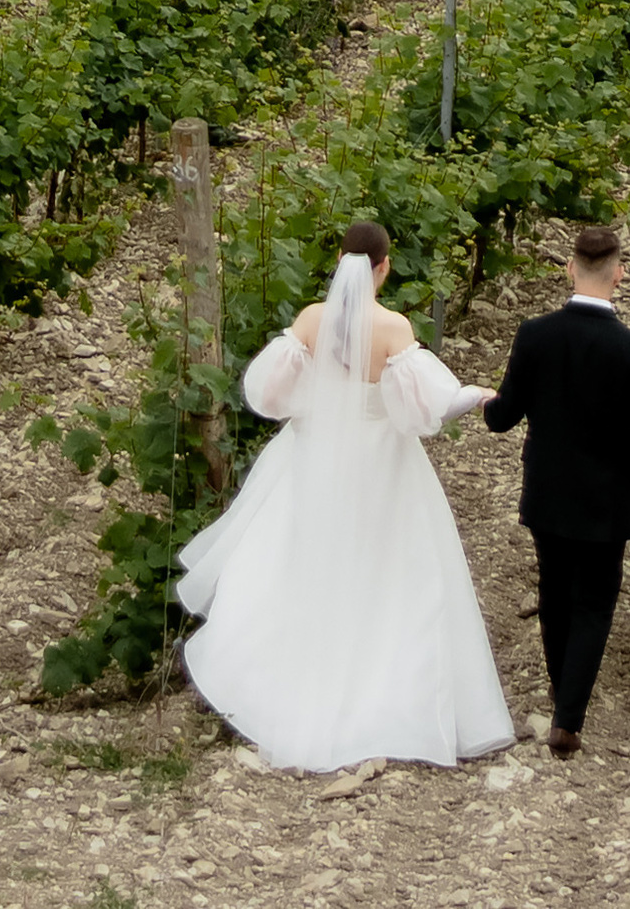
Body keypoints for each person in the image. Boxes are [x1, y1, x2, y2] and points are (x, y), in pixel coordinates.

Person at [175, 221, 515, 772]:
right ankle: (385, 704)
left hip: (311, 458)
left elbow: (268, 394)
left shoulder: (312, 320)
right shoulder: (393, 328)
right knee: (391, 577)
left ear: (339, 261)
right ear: (384, 267)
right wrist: (474, 394)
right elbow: (428, 407)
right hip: (383, 466)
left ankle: (282, 691)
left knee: (296, 565)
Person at [480, 220, 630, 758]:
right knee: (595, 601)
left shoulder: (534, 335)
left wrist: (484, 404)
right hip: (607, 498)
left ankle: (560, 689)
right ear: (619, 274)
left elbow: (504, 416)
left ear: (569, 268)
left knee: (554, 593)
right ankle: (568, 718)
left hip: (548, 490)